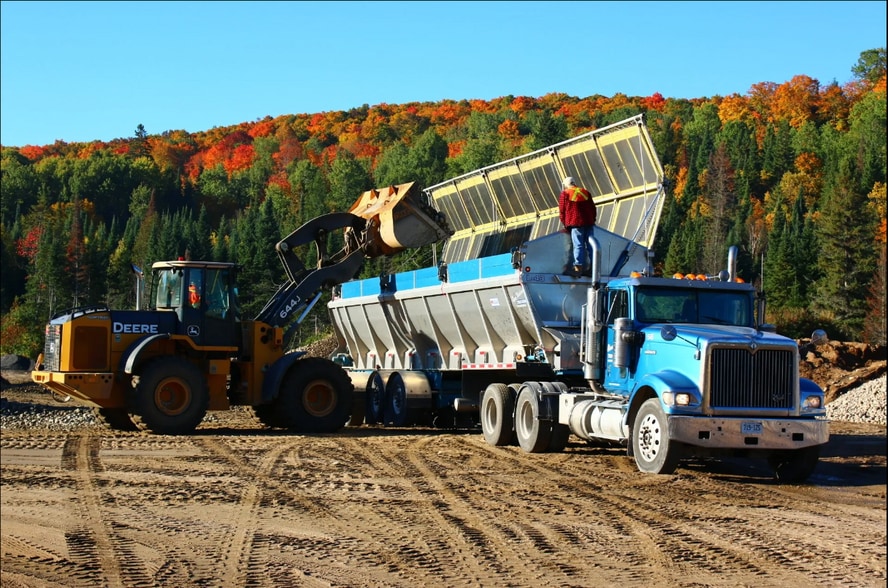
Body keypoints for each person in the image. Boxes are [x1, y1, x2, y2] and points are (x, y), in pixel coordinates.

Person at [558, 176, 597, 277]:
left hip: (575, 223)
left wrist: (565, 224)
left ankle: (578, 268)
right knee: (591, 246)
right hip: (589, 222)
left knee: (578, 245)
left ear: (566, 185)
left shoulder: (565, 193)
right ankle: (594, 268)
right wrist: (592, 220)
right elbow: (593, 208)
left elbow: (562, 211)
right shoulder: (585, 192)